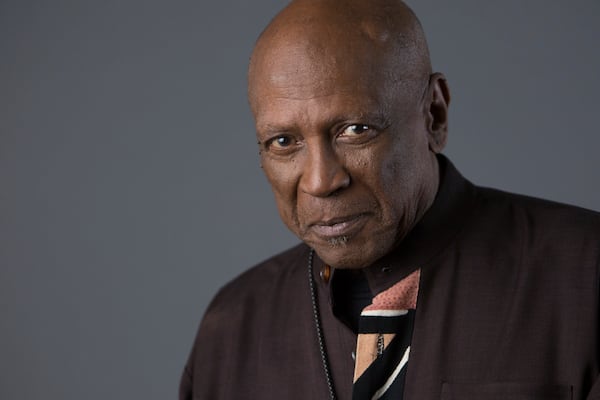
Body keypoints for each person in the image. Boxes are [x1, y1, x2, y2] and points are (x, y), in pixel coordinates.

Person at [180, 0, 600, 399]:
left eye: (356, 130)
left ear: (433, 114)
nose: (322, 181)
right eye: (284, 141)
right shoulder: (230, 329)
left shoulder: (585, 276)